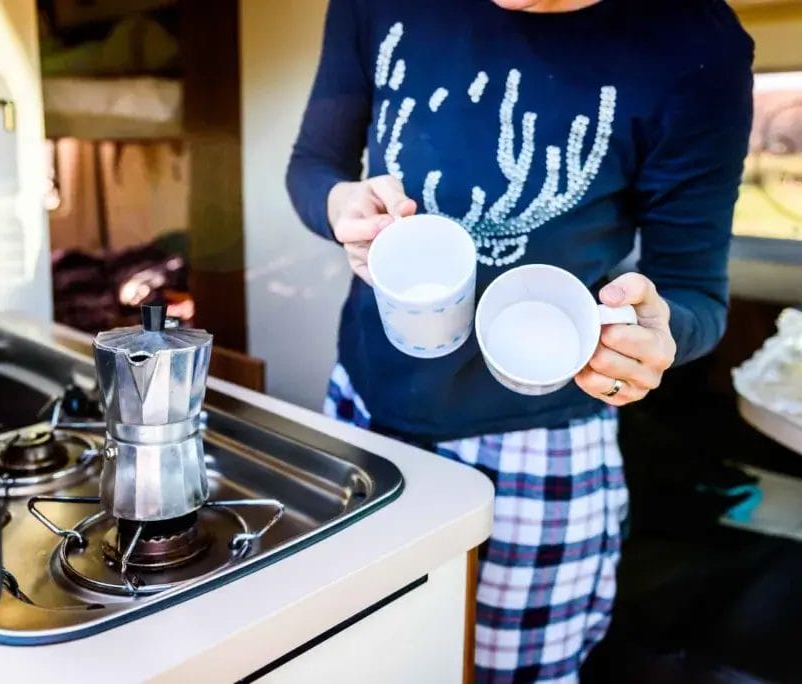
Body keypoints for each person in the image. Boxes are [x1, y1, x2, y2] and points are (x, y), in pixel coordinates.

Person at [285, 0, 754, 681]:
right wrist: (338, 206)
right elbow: (313, 164)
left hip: (544, 442)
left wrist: (659, 333)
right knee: (356, 657)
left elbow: (694, 293)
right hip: (362, 409)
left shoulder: (695, 47)